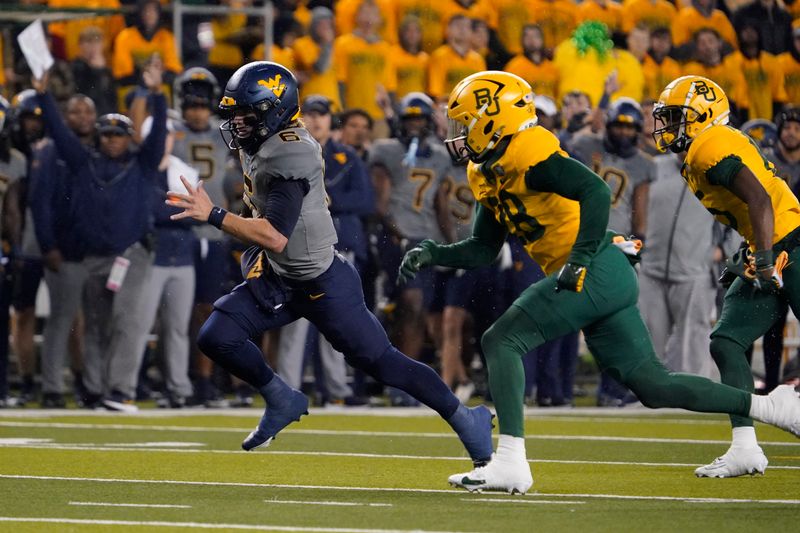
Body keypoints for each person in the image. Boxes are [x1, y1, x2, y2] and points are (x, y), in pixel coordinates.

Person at [399, 70, 800, 493]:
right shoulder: (485, 170)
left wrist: (579, 258)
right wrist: (434, 254)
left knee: (502, 340)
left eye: (465, 123)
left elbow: (594, 191)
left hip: (594, 267)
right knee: (653, 385)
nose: (457, 134)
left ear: (492, 119)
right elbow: (482, 247)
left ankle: (510, 461)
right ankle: (770, 406)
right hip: (600, 271)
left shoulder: (528, 151)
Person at [165, 61, 492, 464]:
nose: (236, 125)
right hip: (281, 275)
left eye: (245, 116)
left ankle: (466, 420)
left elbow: (275, 234)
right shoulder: (264, 144)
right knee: (216, 335)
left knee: (383, 363)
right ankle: (280, 398)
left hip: (322, 281)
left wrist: (214, 215)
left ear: (273, 111)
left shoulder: (289, 152)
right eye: (234, 116)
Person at [652, 75, 800, 478]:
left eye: (674, 117)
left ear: (701, 116)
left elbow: (761, 199)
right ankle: (745, 447)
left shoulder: (710, 144)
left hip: (791, 241)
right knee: (726, 342)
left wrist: (766, 258)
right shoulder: (705, 147)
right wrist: (753, 252)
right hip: (769, 244)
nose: (666, 126)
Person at [33, 60, 166, 412]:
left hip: (132, 254)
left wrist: (157, 94)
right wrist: (44, 95)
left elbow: (158, 135)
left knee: (126, 320)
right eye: (106, 134)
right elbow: (61, 134)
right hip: (94, 256)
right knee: (94, 326)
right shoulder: (84, 162)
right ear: (98, 136)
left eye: (119, 134)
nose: (112, 140)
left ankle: (120, 390)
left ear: (128, 137)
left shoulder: (142, 163)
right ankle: (95, 390)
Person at [31, 95, 95, 408]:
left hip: (94, 252)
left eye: (88, 111)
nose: (83, 117)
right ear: (65, 117)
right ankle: (53, 387)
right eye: (75, 111)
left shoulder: (100, 148)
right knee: (61, 322)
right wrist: (48, 245)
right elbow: (40, 202)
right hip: (65, 250)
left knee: (93, 324)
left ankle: (90, 385)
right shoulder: (51, 150)